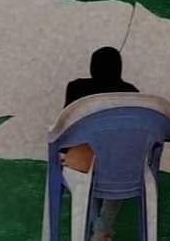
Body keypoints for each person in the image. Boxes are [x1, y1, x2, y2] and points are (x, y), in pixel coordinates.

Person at [60, 46, 139, 241]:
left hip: (81, 160)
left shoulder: (77, 87)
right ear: (119, 66)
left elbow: (66, 127)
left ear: (92, 65)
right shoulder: (131, 92)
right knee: (118, 180)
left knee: (83, 182)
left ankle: (99, 230)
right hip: (119, 165)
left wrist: (63, 151)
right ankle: (101, 232)